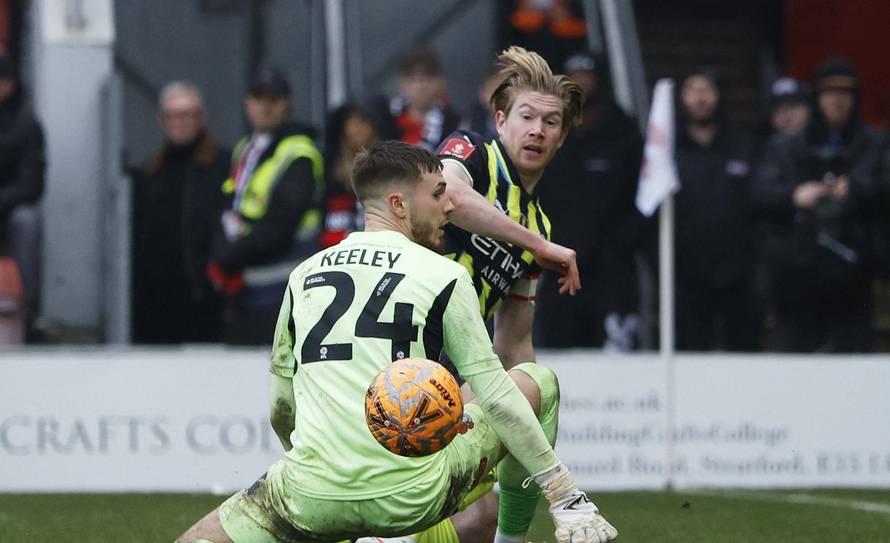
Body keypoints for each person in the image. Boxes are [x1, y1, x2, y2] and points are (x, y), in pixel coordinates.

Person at [176, 141, 618, 543]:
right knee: (534, 381)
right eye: (437, 193)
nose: (449, 206)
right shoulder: (445, 274)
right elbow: (497, 395)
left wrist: (324, 466)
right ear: (398, 204)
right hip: (412, 494)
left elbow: (280, 408)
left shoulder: (303, 274)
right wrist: (564, 494)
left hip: (307, 493)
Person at [754, 57, 883, 352]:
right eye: (829, 93)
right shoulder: (788, 147)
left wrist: (854, 190)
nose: (837, 101)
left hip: (853, 271)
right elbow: (760, 194)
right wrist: (795, 196)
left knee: (853, 363)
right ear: (817, 97)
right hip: (797, 272)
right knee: (797, 364)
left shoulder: (873, 144)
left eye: (845, 93)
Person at [535, 51, 647, 351]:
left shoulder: (624, 133)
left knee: (617, 354)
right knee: (557, 353)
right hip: (558, 266)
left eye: (588, 76)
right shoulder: (548, 134)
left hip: (612, 271)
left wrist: (621, 244)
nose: (582, 83)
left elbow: (641, 198)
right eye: (575, 77)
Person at [207, 65, 324, 345]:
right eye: (258, 98)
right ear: (248, 102)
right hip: (248, 286)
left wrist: (231, 255)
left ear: (287, 103)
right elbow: (231, 204)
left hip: (285, 287)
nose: (265, 106)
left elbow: (280, 225)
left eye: (274, 99)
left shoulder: (299, 153)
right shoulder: (246, 148)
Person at [671, 67, 762, 352]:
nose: (700, 99)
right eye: (692, 91)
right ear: (682, 97)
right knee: (690, 357)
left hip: (740, 275)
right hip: (686, 275)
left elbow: (759, 202)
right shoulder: (667, 151)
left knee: (744, 355)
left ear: (719, 96)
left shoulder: (744, 144)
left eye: (707, 90)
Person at [131, 81, 228, 344]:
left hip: (206, 298)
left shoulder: (224, 166)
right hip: (156, 301)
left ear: (202, 118)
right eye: (173, 116)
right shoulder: (150, 172)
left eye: (187, 114)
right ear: (162, 121)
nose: (180, 122)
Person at [0, 52, 45, 340]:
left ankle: (26, 313)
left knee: (27, 221)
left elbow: (32, 184)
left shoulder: (27, 124)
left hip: (7, 210)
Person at [386, 47, 461, 152]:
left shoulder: (454, 124)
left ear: (441, 82)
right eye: (412, 79)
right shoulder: (386, 120)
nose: (420, 86)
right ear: (402, 84)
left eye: (427, 78)